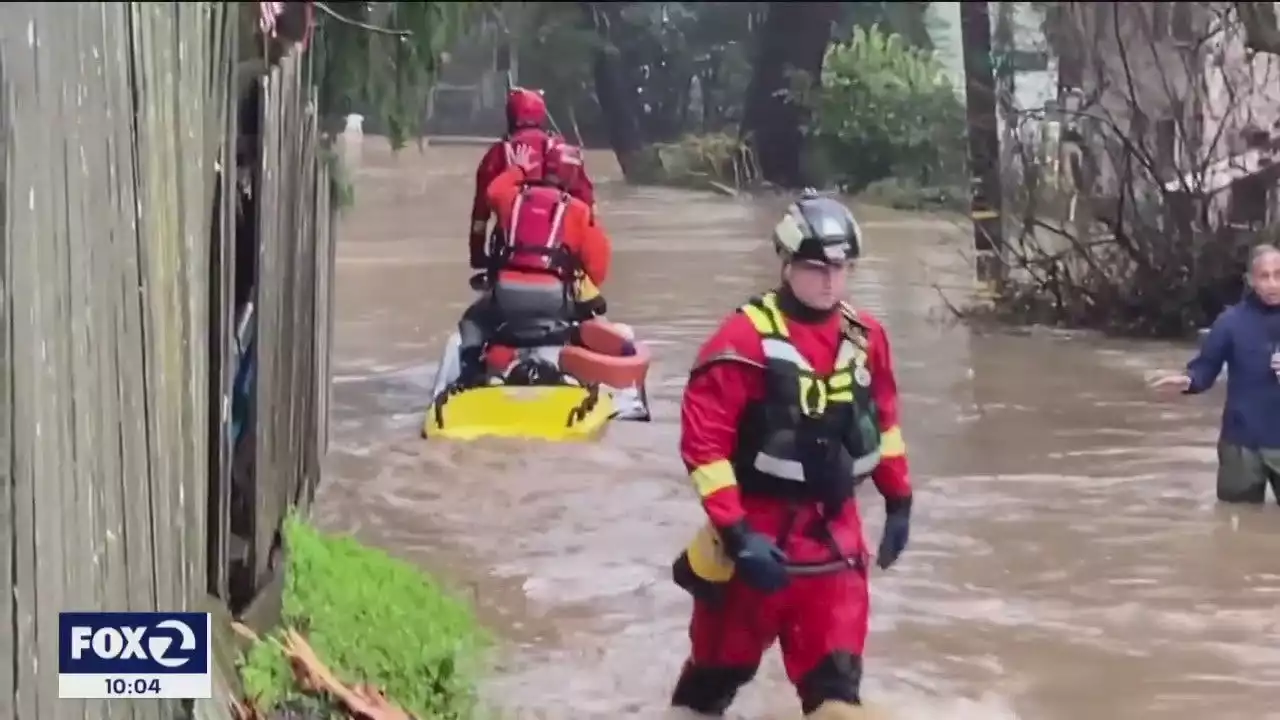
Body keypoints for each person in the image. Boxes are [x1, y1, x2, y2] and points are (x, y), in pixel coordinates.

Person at [667, 191, 912, 719]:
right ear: (787, 263)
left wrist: (899, 499)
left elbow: (885, 419)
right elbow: (703, 445)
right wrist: (736, 533)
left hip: (833, 548)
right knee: (710, 685)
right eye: (816, 267)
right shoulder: (741, 341)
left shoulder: (866, 336)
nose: (829, 279)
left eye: (841, 267)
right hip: (754, 545)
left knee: (837, 693)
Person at [454, 141, 612, 383]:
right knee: (591, 319)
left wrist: (518, 169)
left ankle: (469, 371)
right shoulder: (579, 210)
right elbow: (598, 269)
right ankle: (584, 377)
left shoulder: (512, 197)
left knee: (472, 320)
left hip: (507, 297)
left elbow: (491, 193)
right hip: (554, 301)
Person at [1150, 243, 1280, 503]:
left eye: (1279, 275)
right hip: (1241, 442)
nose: (1273, 284)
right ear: (1251, 280)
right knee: (1236, 524)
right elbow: (1206, 367)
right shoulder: (1230, 322)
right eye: (1264, 276)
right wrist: (1188, 380)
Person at [469, 87, 597, 272]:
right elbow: (587, 203)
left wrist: (477, 254)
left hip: (509, 250)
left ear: (511, 117)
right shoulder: (563, 151)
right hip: (561, 247)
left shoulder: (499, 153)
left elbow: (481, 213)